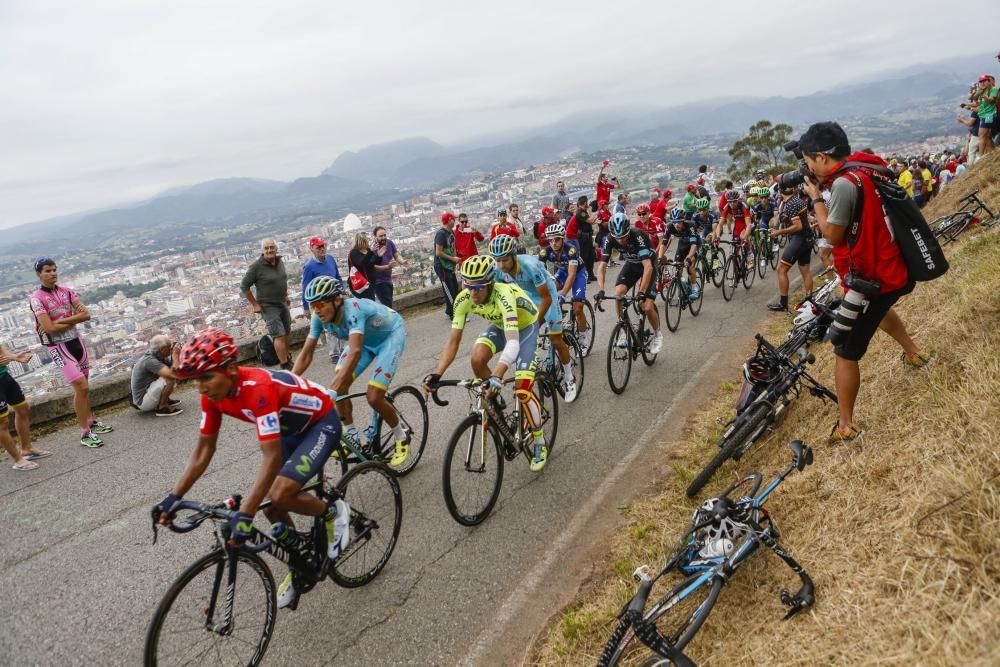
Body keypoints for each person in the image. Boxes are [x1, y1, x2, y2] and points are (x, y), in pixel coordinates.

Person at [153, 328, 350, 611]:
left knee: (280, 494)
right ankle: (299, 560)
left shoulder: (257, 388)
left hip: (320, 423)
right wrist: (172, 498)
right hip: (288, 429)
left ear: (231, 369)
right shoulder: (212, 395)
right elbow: (203, 451)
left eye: (207, 377)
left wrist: (245, 514)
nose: (202, 387)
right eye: (196, 380)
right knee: (271, 507)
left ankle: (333, 512)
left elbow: (270, 458)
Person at [798, 121, 929, 443]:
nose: (807, 167)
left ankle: (846, 425)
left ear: (821, 157)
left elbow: (832, 233)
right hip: (890, 267)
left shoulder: (844, 185)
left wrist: (816, 198)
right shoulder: (866, 168)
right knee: (881, 312)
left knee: (844, 348)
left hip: (873, 278)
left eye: (808, 160)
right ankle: (914, 353)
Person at [422, 256, 552, 471]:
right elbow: (453, 342)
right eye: (468, 285)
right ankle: (497, 402)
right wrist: (437, 373)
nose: (473, 292)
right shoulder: (463, 299)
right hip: (501, 324)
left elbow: (513, 343)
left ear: (491, 283)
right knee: (477, 358)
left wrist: (497, 375)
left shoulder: (504, 295)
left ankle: (539, 441)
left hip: (525, 327)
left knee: (522, 389)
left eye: (479, 287)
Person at [294, 276, 410, 468]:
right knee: (340, 384)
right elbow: (306, 355)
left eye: (320, 304)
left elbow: (354, 351)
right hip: (365, 341)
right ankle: (352, 436)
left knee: (374, 396)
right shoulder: (318, 317)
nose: (316, 309)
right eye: (312, 305)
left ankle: (401, 435)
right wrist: (288, 381)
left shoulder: (353, 309)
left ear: (337, 300)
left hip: (389, 337)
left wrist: (331, 389)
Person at [30, 258, 113, 448]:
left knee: (85, 387)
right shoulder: (37, 298)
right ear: (39, 274)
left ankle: (90, 421)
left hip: (76, 342)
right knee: (81, 387)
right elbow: (48, 328)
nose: (52, 273)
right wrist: (70, 320)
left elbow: (87, 315)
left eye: (54, 270)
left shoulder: (66, 291)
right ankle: (85, 433)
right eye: (47, 271)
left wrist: (60, 322)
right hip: (57, 346)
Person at [489, 232, 578, 401]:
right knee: (521, 341)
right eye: (497, 260)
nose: (501, 265)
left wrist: (534, 324)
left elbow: (546, 298)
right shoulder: (499, 271)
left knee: (556, 340)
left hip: (546, 296)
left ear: (514, 256)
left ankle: (569, 378)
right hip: (527, 300)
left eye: (505, 260)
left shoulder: (530, 266)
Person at [595, 213, 663, 355]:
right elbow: (601, 267)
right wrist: (600, 290)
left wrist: (641, 292)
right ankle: (623, 330)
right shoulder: (609, 239)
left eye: (624, 237)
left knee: (646, 306)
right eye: (617, 237)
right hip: (632, 264)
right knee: (618, 294)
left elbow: (648, 267)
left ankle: (657, 335)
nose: (621, 241)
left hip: (648, 265)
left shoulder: (638, 236)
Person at [241, 239, 293, 370]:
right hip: (268, 306)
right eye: (266, 248)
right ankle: (284, 364)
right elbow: (244, 286)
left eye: (272, 247)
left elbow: (281, 280)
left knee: (286, 331)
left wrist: (285, 296)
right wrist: (254, 304)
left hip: (281, 302)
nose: (269, 250)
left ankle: (287, 357)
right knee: (278, 334)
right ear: (262, 250)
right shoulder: (256, 267)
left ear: (276, 248)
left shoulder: (280, 261)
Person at [538, 226, 591, 352]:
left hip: (578, 274)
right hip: (562, 272)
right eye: (550, 240)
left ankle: (584, 337)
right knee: (550, 292)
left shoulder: (571, 250)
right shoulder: (545, 252)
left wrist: (563, 294)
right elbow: (540, 274)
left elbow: (572, 275)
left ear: (562, 239)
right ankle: (559, 320)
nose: (553, 243)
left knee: (578, 307)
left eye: (556, 239)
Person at [0, 343, 50, 470]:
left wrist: (14, 357)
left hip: (4, 376)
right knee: (2, 423)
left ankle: (26, 449)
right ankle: (18, 460)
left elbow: (1, 350)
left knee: (23, 409)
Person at [767, 184, 814, 312]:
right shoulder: (797, 200)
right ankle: (809, 301)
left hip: (799, 238)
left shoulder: (791, 204)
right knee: (805, 270)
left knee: (781, 270)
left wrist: (779, 232)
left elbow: (797, 226)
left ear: (780, 191)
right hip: (808, 238)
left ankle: (783, 304)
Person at [130, 334, 183, 416]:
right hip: (143, 402)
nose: (171, 348)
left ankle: (165, 400)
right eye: (169, 347)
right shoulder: (149, 360)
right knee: (169, 379)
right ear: (162, 349)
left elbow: (175, 368)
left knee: (169, 376)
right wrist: (175, 355)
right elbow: (172, 374)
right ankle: (162, 408)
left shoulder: (160, 356)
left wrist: (180, 354)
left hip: (148, 394)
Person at [662, 208, 701, 300]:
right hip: (683, 244)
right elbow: (663, 244)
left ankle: (695, 287)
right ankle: (684, 287)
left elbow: (693, 245)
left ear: (683, 220)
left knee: (689, 265)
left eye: (679, 222)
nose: (676, 224)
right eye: (674, 221)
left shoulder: (690, 225)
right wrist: (660, 257)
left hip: (694, 244)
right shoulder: (669, 226)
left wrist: (688, 258)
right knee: (677, 269)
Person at [301, 236, 343, 315]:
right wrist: (306, 308)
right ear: (312, 249)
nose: (322, 249)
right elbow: (305, 288)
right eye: (318, 247)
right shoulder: (309, 267)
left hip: (335, 298)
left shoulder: (330, 258)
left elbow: (338, 277)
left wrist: (342, 292)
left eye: (323, 246)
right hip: (320, 303)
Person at [372, 226, 408, 308]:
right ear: (375, 237)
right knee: (387, 305)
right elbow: (373, 266)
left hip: (388, 278)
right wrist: (387, 267)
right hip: (378, 281)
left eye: (384, 235)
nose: (383, 237)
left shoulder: (389, 243)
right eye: (381, 236)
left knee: (389, 304)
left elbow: (396, 255)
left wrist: (402, 261)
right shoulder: (372, 248)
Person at [434, 212, 461, 318]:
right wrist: (453, 259)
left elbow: (453, 247)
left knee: (454, 287)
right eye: (453, 219)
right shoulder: (441, 234)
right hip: (442, 266)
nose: (455, 221)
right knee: (449, 289)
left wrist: (454, 262)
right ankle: (454, 314)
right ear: (449, 220)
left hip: (449, 265)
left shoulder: (451, 232)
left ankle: (450, 311)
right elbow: (438, 252)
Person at [568, 195, 597, 282]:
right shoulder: (581, 212)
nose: (587, 205)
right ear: (583, 203)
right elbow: (591, 221)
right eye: (586, 203)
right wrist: (592, 212)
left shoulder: (584, 212)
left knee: (591, 256)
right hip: (583, 238)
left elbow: (590, 223)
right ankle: (584, 276)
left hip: (588, 237)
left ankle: (590, 274)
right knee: (584, 257)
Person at [347, 232, 378, 300]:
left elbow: (371, 264)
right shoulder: (354, 252)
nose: (368, 241)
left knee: (371, 302)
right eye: (366, 240)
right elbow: (361, 264)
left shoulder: (367, 250)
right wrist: (371, 252)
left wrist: (378, 255)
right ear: (362, 241)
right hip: (361, 284)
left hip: (369, 284)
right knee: (368, 304)